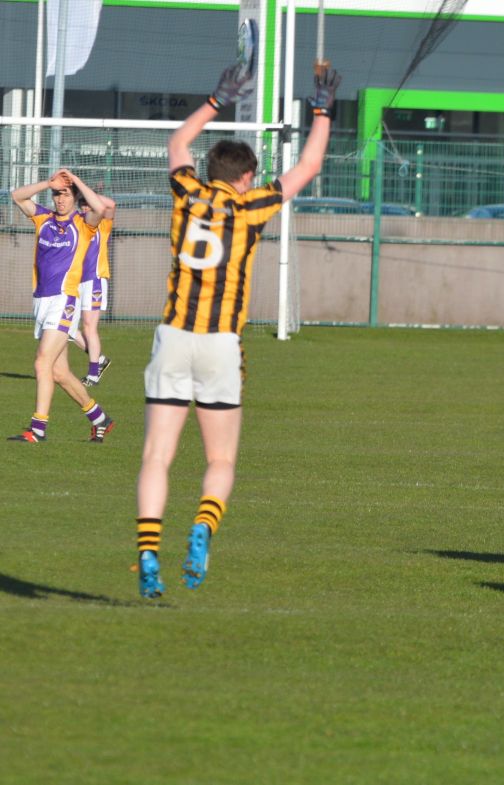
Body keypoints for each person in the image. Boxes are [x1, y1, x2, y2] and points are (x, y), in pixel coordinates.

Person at [134, 63, 340, 599]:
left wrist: (217, 97)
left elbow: (178, 138)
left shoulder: (185, 191)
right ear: (246, 177)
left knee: (157, 457)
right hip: (222, 344)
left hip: (174, 336)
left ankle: (148, 551)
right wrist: (322, 107)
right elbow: (310, 163)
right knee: (220, 460)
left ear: (208, 169)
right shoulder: (252, 206)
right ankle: (202, 527)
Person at [8, 169, 115, 444]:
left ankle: (38, 429)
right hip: (42, 302)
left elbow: (102, 207)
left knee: (42, 362)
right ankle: (99, 418)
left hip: (64, 301)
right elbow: (16, 196)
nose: (60, 199)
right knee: (59, 373)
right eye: (56, 194)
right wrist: (47, 182)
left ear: (75, 197)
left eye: (65, 194)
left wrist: (76, 181)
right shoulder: (43, 218)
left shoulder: (83, 224)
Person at [72, 192, 116, 387]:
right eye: (81, 203)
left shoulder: (102, 224)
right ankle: (99, 361)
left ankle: (93, 376)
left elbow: (111, 204)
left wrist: (84, 191)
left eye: (87, 204)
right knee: (68, 330)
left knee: (89, 327)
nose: (84, 207)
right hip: (74, 281)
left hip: (94, 280)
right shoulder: (75, 222)